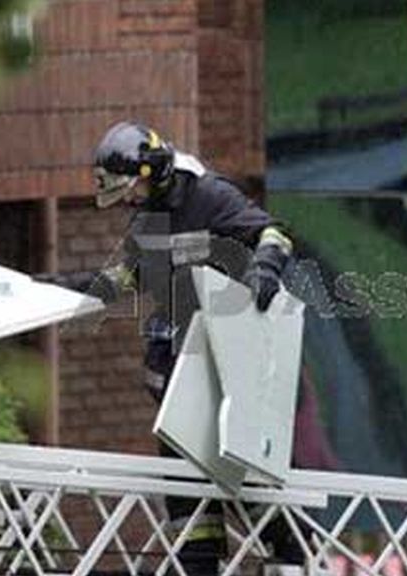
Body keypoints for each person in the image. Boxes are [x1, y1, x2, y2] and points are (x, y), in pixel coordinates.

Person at [45, 121, 294, 575]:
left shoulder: (210, 196)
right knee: (188, 512)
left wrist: (265, 272)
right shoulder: (147, 217)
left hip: (227, 378)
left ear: (154, 170)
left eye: (133, 188)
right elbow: (128, 278)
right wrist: (63, 289)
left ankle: (292, 560)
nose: (131, 200)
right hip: (178, 384)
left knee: (255, 496)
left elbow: (273, 234)